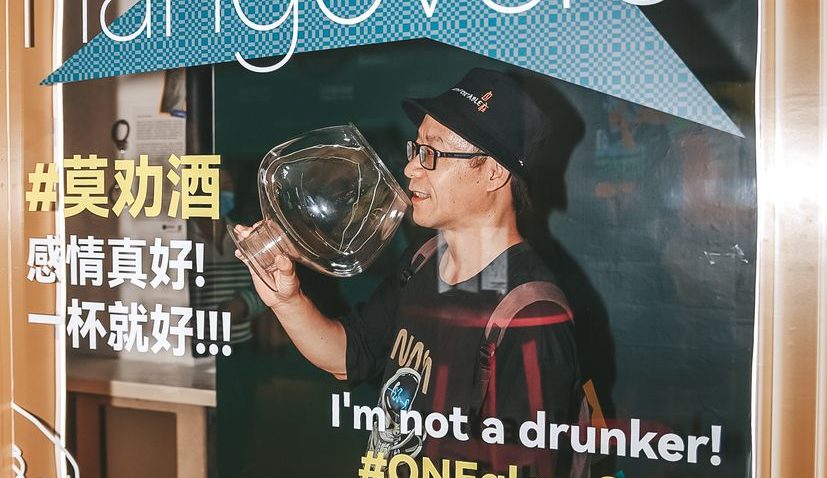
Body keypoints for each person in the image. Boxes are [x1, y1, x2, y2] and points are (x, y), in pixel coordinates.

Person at [234, 68, 587, 477]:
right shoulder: (423, 261)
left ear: (494, 172)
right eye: (415, 149)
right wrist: (286, 299)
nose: (411, 169)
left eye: (431, 154)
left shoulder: (532, 315)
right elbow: (348, 356)